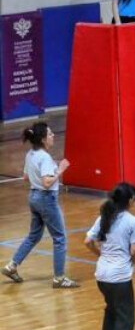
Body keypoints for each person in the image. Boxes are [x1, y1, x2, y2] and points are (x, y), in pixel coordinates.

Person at [2, 122, 79, 288]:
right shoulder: (44, 157)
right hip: (46, 199)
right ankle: (59, 278)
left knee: (34, 236)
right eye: (50, 134)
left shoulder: (30, 154)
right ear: (43, 139)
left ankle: (12, 266)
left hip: (34, 198)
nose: (53, 136)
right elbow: (47, 182)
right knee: (60, 238)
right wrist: (60, 170)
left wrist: (45, 173)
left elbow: (26, 178)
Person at [84, 183, 135, 330]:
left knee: (112, 309)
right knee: (125, 318)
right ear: (130, 200)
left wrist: (101, 255)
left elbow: (88, 241)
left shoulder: (104, 217)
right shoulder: (133, 222)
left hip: (102, 275)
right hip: (119, 277)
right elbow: (134, 251)